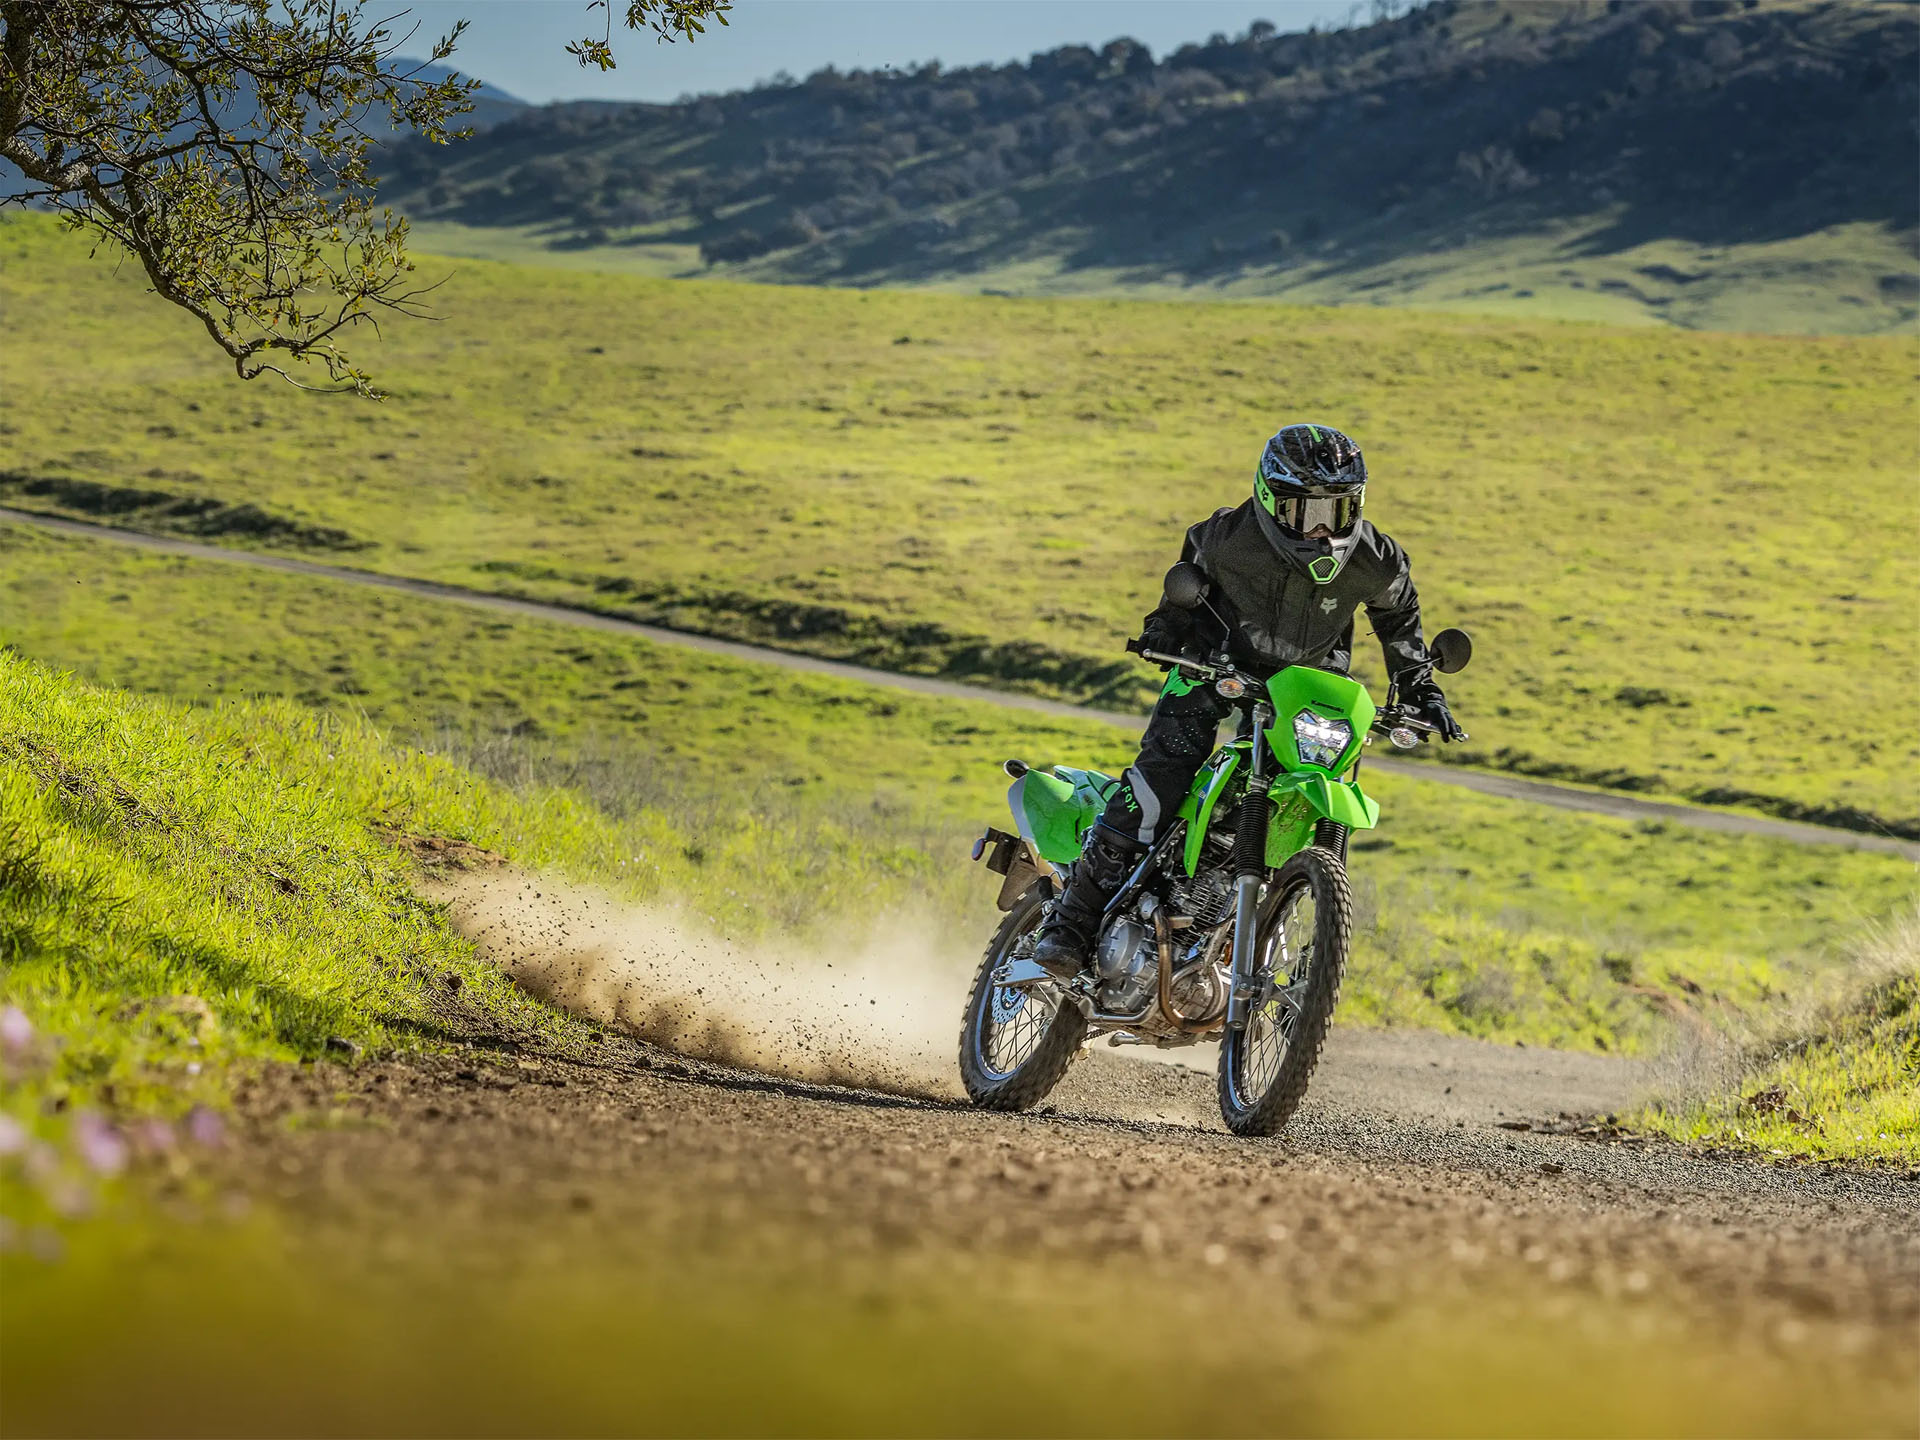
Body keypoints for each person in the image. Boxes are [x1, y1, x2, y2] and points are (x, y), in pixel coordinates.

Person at [1030, 422, 1465, 979]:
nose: (1320, 528)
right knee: (1163, 775)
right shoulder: (1226, 537)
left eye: (1336, 510)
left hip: (1310, 684)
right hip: (1216, 663)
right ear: (1268, 498)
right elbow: (1185, 580)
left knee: (1320, 781)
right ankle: (1074, 922)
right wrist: (1167, 626)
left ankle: (1292, 961)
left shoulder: (1376, 557)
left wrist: (1418, 683)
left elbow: (1398, 614)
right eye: (1303, 512)